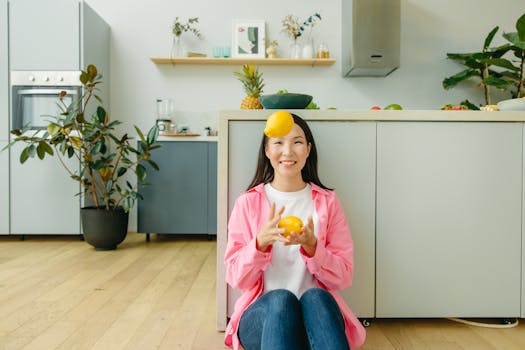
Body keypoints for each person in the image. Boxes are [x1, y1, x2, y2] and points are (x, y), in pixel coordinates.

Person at [224, 113, 366, 350]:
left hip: (316, 321)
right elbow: (235, 278)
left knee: (316, 297)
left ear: (308, 149)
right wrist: (259, 244)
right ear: (267, 150)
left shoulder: (328, 202)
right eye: (278, 143)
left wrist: (313, 248)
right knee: (281, 299)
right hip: (263, 322)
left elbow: (344, 277)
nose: (288, 151)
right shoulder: (247, 203)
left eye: (297, 142)